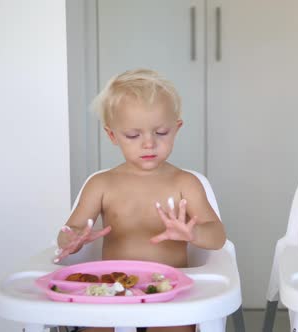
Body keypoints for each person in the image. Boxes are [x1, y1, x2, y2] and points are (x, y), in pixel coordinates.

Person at [54, 68, 226, 332]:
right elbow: (68, 232)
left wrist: (192, 233)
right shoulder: (101, 184)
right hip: (112, 289)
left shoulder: (185, 184)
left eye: (161, 132)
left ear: (177, 128)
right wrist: (73, 240)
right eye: (133, 136)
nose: (149, 144)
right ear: (112, 135)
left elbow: (217, 238)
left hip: (170, 290)